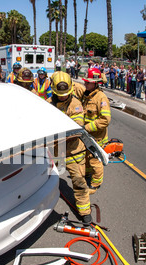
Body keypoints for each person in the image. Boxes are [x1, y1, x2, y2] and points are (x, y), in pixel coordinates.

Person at [47, 71, 92, 224]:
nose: (63, 97)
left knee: (79, 182)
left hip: (73, 152)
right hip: (55, 151)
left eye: (65, 94)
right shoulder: (48, 104)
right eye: (59, 94)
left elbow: (77, 130)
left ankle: (85, 211)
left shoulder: (76, 105)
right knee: (45, 179)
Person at [75, 67, 111, 195]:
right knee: (88, 157)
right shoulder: (88, 95)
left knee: (96, 161)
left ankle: (95, 185)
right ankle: (88, 175)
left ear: (95, 83)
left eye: (88, 82)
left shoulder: (101, 98)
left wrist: (87, 127)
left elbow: (105, 120)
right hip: (87, 136)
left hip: (97, 138)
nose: (85, 84)